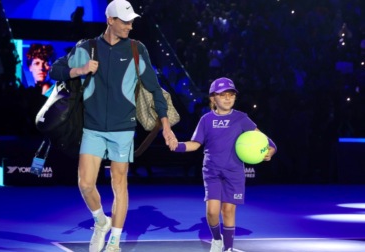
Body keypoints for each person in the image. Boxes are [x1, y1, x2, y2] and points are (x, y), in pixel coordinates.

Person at [49, 0, 178, 251]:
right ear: (110, 20)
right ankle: (100, 221)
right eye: (125, 21)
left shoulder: (137, 49)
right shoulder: (87, 48)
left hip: (123, 129)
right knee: (85, 184)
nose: (130, 26)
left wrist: (166, 125)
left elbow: (154, 89)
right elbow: (56, 70)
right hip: (93, 127)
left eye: (131, 21)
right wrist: (81, 70)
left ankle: (114, 243)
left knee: (120, 184)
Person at [172, 77, 277, 252]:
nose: (228, 98)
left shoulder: (241, 118)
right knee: (212, 212)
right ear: (213, 98)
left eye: (231, 94)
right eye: (222, 95)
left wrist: (272, 149)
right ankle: (216, 239)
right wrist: (178, 146)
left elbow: (264, 139)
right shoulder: (206, 120)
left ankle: (228, 248)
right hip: (212, 171)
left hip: (234, 172)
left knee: (228, 211)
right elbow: (195, 144)